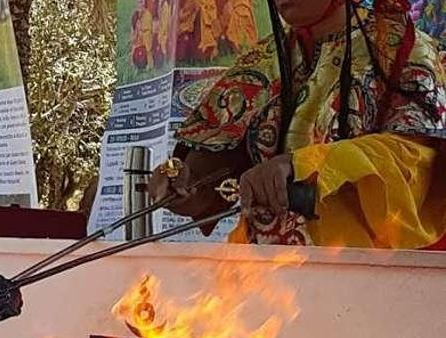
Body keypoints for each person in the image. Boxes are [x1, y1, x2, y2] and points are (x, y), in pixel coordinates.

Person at [150, 0, 446, 249]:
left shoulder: (404, 49)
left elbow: (418, 162)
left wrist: (299, 164)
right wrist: (184, 184)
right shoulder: (264, 59)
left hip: (364, 275)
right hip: (265, 280)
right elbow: (218, 166)